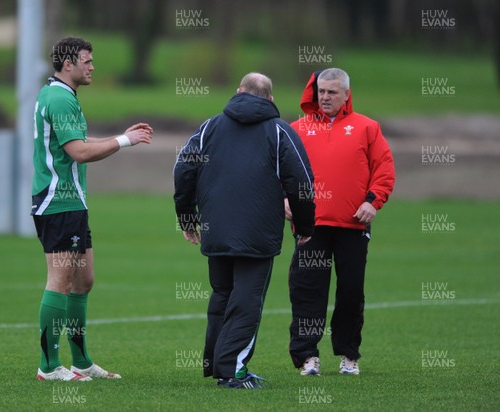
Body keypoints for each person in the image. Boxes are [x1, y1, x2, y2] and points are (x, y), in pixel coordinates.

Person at [174, 72, 315, 389]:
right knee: (247, 301)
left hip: (216, 229)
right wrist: (304, 225)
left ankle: (217, 365)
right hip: (258, 233)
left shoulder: (210, 127)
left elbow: (183, 168)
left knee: (222, 296)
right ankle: (232, 371)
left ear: (239, 92)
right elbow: (302, 182)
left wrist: (187, 218)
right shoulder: (280, 131)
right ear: (271, 99)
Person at [31, 37, 153, 381]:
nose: (92, 66)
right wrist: (126, 141)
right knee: (60, 280)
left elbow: (80, 146)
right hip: (58, 201)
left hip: (72, 202)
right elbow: (79, 153)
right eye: (86, 60)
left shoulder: (62, 95)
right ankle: (49, 366)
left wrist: (120, 137)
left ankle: (81, 361)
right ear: (68, 63)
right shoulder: (58, 97)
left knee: (83, 280)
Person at [286, 68, 395, 376]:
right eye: (321, 91)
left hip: (353, 226)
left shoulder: (367, 128)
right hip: (311, 227)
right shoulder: (297, 129)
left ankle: (349, 355)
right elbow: (280, 171)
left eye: (332, 92)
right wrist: (285, 198)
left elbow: (384, 170)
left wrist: (372, 202)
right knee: (307, 291)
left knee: (350, 292)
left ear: (347, 94)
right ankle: (307, 356)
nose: (325, 97)